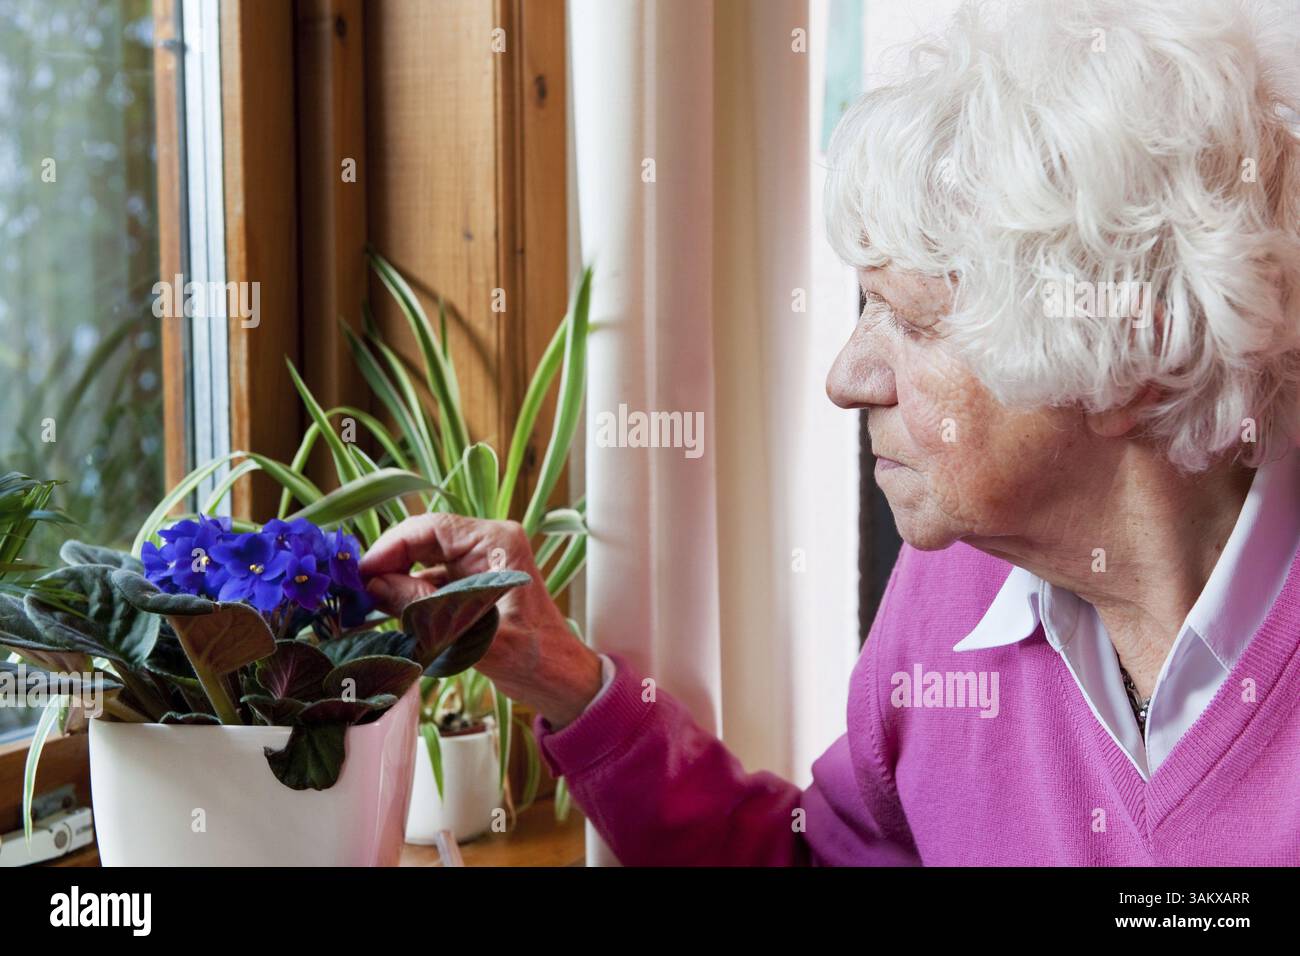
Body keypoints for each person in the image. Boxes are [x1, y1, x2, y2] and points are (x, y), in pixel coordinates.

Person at [361, 0, 1300, 864]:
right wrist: (557, 674)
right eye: (863, 307)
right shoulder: (958, 591)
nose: (846, 380)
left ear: (1128, 358)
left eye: (913, 321)